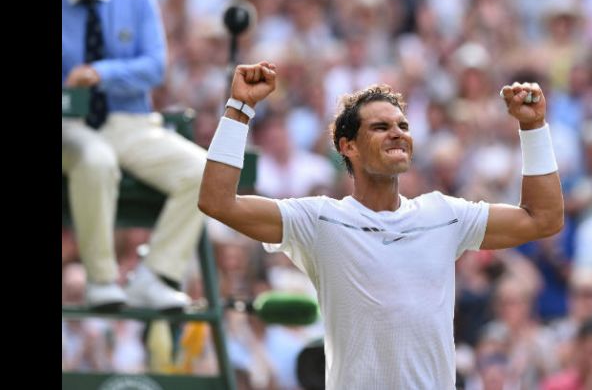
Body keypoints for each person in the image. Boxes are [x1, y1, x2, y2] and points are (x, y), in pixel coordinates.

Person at [199, 61, 564, 388]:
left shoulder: (444, 214)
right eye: (380, 126)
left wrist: (533, 128)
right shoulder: (317, 220)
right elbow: (217, 202)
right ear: (348, 147)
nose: (397, 132)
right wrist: (239, 108)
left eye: (402, 125)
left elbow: (543, 218)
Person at [62, 0, 206, 310]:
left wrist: (99, 73)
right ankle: (101, 281)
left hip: (130, 123)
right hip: (69, 126)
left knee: (206, 171)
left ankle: (156, 276)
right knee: (95, 159)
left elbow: (154, 68)